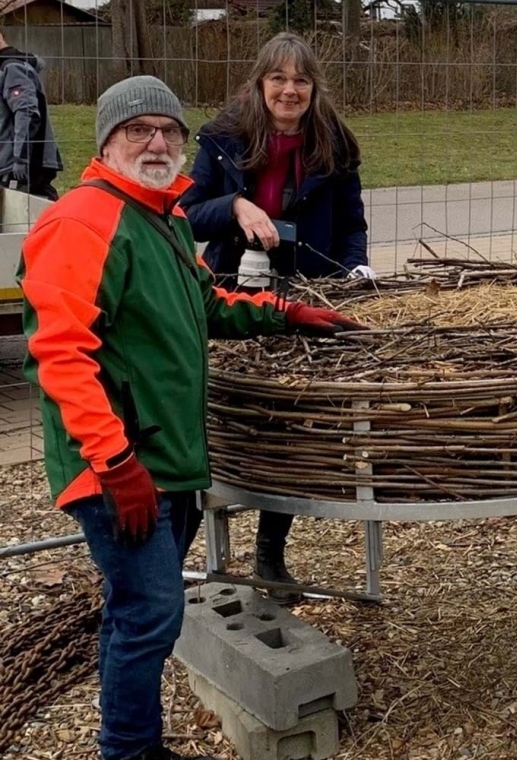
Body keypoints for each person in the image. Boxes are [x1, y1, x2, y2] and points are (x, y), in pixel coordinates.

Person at [18, 75, 363, 760]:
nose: (158, 143)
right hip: (119, 464)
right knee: (149, 614)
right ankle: (127, 750)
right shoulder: (81, 221)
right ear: (107, 142)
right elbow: (60, 357)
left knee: (138, 613)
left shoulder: (162, 216)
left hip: (164, 456)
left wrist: (283, 313)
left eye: (170, 131)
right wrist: (114, 464)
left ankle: (130, 742)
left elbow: (206, 305)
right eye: (138, 131)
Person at [181, 32, 372, 605]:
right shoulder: (221, 138)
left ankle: (269, 550)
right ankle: (201, 541)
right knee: (231, 410)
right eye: (279, 80)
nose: (290, 91)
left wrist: (356, 270)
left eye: (301, 81)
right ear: (259, 83)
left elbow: (353, 223)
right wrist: (234, 207)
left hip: (308, 292)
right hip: (236, 293)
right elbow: (187, 214)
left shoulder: (335, 143)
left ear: (314, 89)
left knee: (291, 418)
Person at [0, 31, 62, 199]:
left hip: (20, 167)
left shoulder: (13, 67)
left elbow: (26, 113)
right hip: (8, 164)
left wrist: (21, 158)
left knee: (30, 214)